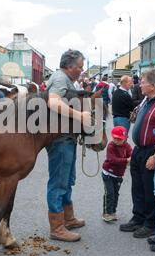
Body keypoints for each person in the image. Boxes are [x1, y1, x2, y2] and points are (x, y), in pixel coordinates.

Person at [120, 69, 155, 239]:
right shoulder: (147, 99)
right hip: (139, 150)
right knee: (137, 187)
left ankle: (150, 224)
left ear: (152, 85)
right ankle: (138, 218)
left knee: (149, 188)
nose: (139, 84)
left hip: (151, 150)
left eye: (143, 82)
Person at [45, 49, 92, 242]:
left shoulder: (65, 79)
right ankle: (57, 228)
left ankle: (68, 218)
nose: (82, 70)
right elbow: (53, 103)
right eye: (80, 67)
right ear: (70, 66)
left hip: (67, 137)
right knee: (59, 182)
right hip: (60, 138)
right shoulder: (59, 78)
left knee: (68, 179)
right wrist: (81, 116)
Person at [101, 126, 133, 222]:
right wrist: (126, 160)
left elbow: (131, 155)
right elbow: (112, 159)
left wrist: (131, 158)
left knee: (116, 194)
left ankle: (113, 212)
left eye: (119, 139)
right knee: (109, 193)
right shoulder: (111, 146)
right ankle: (106, 213)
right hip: (108, 173)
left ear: (124, 138)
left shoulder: (127, 146)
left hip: (118, 175)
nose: (116, 141)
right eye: (115, 138)